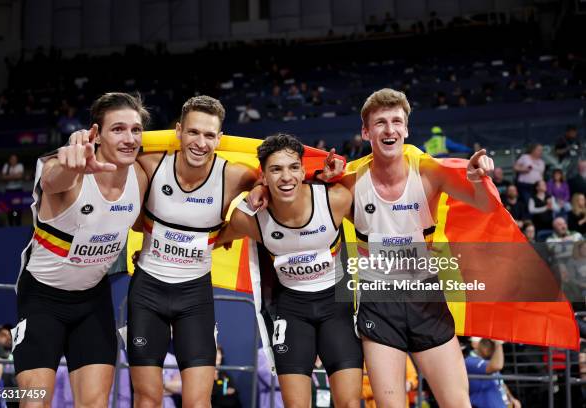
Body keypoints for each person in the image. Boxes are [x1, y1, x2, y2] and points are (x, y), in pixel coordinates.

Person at [341, 88, 496, 407]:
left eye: (397, 121)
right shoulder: (351, 182)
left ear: (407, 129)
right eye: (380, 123)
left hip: (426, 297)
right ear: (365, 132)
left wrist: (480, 181)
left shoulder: (428, 173)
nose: (389, 129)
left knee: (457, 403)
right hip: (378, 299)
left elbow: (483, 206)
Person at [13, 92, 149, 408]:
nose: (129, 138)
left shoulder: (140, 176)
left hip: (92, 302)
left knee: (95, 404)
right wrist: (70, 164)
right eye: (118, 129)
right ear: (95, 134)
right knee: (33, 402)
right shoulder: (69, 175)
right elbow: (50, 180)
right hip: (41, 301)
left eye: (136, 130)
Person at [127, 95, 259, 408]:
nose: (200, 142)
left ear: (220, 138)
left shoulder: (235, 175)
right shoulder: (150, 164)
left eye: (209, 135)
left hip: (195, 297)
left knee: (199, 400)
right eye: (193, 132)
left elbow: (284, 178)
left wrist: (260, 190)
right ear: (178, 132)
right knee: (147, 397)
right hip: (148, 293)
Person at [217, 134, 363, 408]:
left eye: (293, 167)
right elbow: (215, 238)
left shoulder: (336, 199)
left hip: (337, 306)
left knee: (350, 403)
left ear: (303, 170)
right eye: (276, 169)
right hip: (292, 309)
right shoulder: (250, 219)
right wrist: (156, 247)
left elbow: (379, 222)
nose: (286, 177)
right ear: (263, 177)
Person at [465, 338, 521, 408]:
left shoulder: (488, 361)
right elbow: (497, 366)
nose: (492, 347)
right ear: (475, 344)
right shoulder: (469, 361)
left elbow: (501, 383)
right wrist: (498, 343)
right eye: (488, 343)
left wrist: (511, 398)